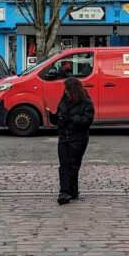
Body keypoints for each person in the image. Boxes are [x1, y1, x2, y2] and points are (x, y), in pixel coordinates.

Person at [49, 76, 94, 205]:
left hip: (78, 137)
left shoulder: (86, 102)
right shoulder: (63, 100)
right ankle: (64, 192)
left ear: (73, 90)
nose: (65, 92)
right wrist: (55, 118)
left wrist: (71, 119)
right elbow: (59, 115)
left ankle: (72, 191)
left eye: (67, 89)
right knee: (64, 165)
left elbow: (87, 120)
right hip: (64, 135)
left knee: (73, 165)